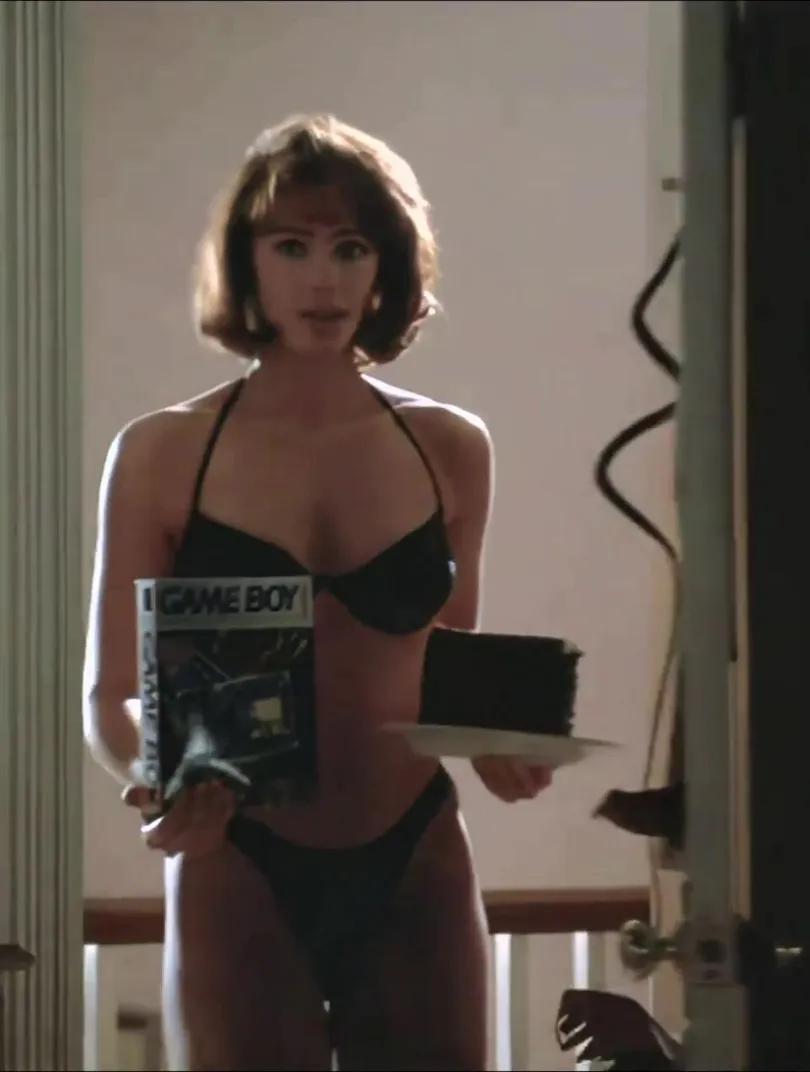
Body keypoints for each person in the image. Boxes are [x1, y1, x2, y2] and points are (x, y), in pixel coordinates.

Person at [83, 113, 552, 1071]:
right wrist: (158, 775)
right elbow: (109, 694)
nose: (324, 280)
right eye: (292, 246)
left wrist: (499, 737)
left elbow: (443, 656)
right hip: (238, 855)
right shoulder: (162, 452)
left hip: (413, 843)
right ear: (247, 264)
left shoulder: (450, 445)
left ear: (386, 267)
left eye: (351, 248)